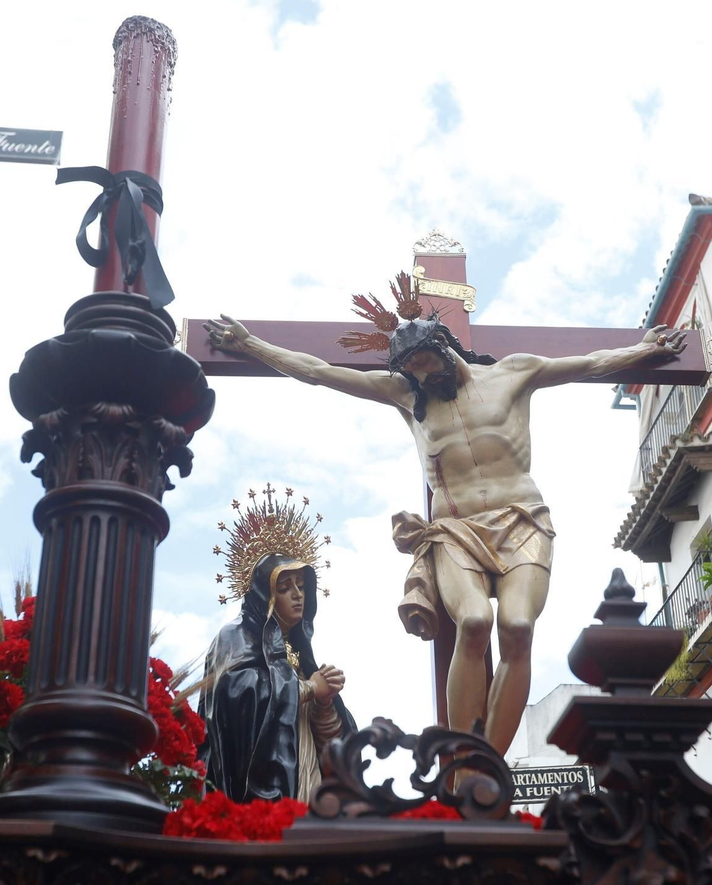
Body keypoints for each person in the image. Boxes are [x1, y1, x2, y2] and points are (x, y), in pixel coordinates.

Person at [205, 272, 684, 759]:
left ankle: (487, 763)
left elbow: (591, 363)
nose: (419, 376)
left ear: (445, 346)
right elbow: (318, 371)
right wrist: (252, 345)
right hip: (454, 531)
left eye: (425, 363)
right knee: (474, 621)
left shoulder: (514, 374)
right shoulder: (404, 396)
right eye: (410, 369)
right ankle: (462, 755)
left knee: (517, 628)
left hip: (521, 519)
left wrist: (642, 350)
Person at [200, 554, 355, 804]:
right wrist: (307, 689)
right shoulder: (235, 636)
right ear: (264, 595)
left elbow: (330, 749)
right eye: (284, 588)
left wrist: (325, 705)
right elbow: (238, 697)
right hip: (260, 789)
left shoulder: (300, 656)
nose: (297, 594)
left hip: (307, 782)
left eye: (301, 586)